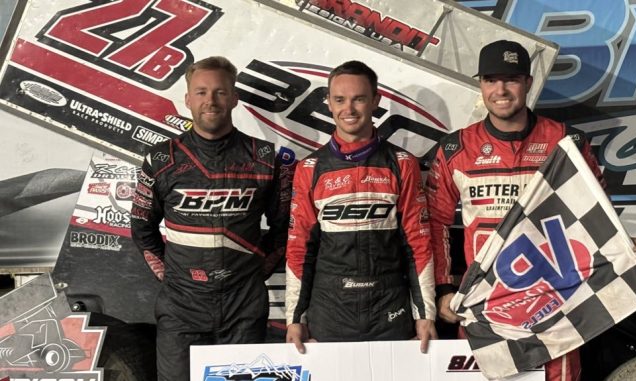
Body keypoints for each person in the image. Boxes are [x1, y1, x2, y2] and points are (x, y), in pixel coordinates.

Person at [425, 40, 636, 381]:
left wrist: (623, 246)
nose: (500, 90)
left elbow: (598, 215)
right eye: (491, 80)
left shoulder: (567, 142)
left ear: (528, 82)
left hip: (557, 304)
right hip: (486, 306)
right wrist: (443, 289)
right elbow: (437, 222)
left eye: (511, 79)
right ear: (481, 84)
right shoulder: (457, 149)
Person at [130, 56, 293, 381]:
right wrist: (173, 278)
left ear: (234, 98)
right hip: (181, 306)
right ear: (188, 99)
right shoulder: (161, 159)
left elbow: (285, 228)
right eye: (201, 92)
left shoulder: (265, 158)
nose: (210, 101)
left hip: (243, 306)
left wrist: (253, 276)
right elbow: (142, 227)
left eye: (220, 92)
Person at [285, 60, 437, 354]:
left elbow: (418, 244)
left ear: (375, 101)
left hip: (389, 308)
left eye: (359, 99)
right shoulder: (309, 168)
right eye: (340, 100)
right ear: (328, 102)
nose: (349, 109)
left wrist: (425, 314)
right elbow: (299, 248)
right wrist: (294, 317)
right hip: (330, 310)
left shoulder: (402, 164)